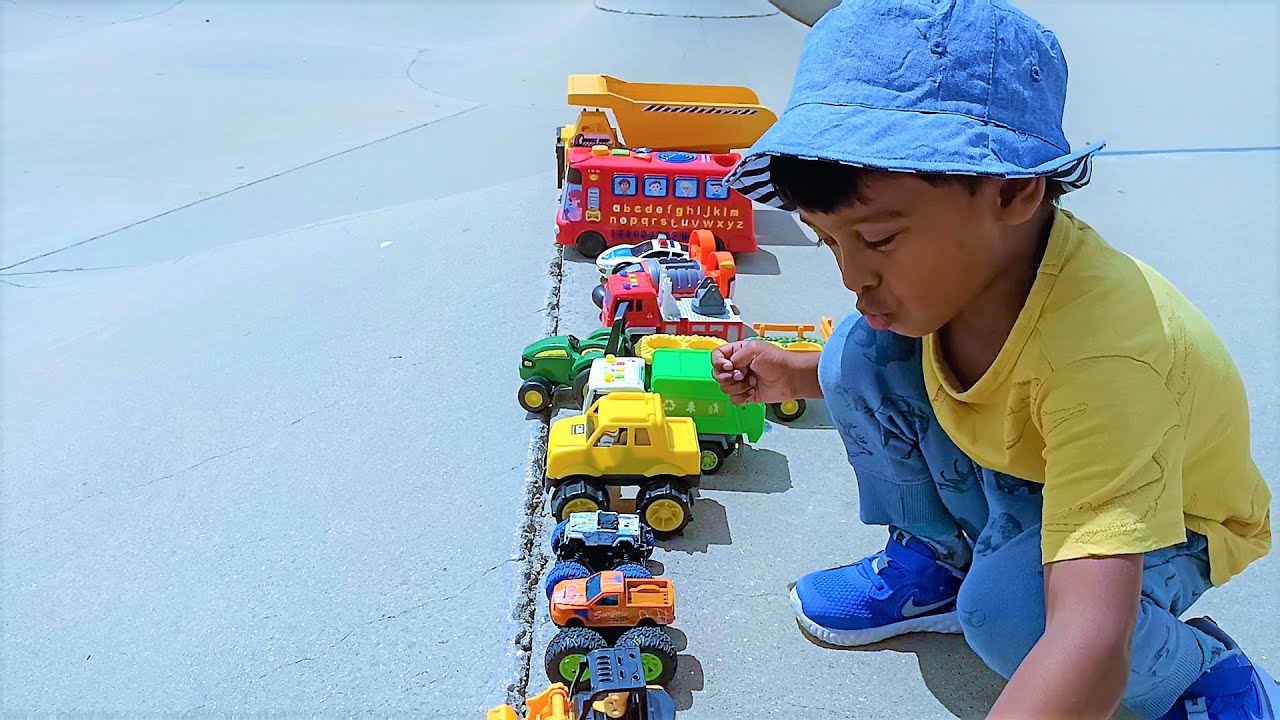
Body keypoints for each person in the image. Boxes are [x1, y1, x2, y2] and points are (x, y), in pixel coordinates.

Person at [714, 2, 1276, 718]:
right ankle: (940, 560)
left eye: (879, 239)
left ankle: (1202, 669)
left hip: (1169, 517)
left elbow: (1088, 634)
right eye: (829, 241)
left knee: (1014, 616)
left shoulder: (1106, 359)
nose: (852, 274)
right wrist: (796, 374)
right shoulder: (964, 277)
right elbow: (888, 364)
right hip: (1032, 463)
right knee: (859, 351)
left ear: (1014, 191)